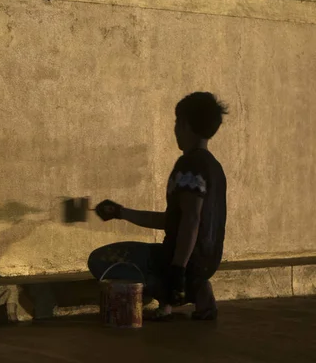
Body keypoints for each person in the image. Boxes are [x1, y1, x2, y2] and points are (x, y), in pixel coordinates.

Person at [88, 92, 228, 321]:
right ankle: (180, 295)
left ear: (183, 124)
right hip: (208, 260)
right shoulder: (214, 167)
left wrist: (178, 270)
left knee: (101, 260)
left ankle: (186, 290)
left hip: (184, 261)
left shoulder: (189, 165)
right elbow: (173, 220)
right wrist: (121, 213)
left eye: (176, 123)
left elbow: (191, 220)